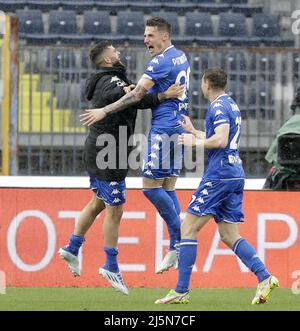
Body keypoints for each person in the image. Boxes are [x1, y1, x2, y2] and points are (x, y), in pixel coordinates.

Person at [58, 41, 183, 295]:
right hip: (108, 153)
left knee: (97, 203)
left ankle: (71, 248)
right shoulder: (112, 83)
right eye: (115, 52)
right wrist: (163, 95)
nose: (119, 53)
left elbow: (132, 96)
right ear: (107, 61)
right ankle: (110, 265)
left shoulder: (106, 79)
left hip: (103, 149)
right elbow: (134, 99)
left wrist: (137, 92)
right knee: (116, 210)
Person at [154, 68, 279, 305]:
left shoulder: (218, 107)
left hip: (219, 175)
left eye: (201, 82)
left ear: (207, 83)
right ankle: (264, 277)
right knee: (229, 235)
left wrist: (193, 142)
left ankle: (181, 290)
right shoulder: (230, 104)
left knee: (188, 229)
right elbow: (221, 137)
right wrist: (194, 131)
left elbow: (219, 140)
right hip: (234, 174)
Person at [80, 17, 191, 274]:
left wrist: (104, 110)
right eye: (144, 35)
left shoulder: (159, 61)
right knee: (168, 187)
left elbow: (136, 96)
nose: (145, 40)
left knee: (150, 189)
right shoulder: (181, 56)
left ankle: (180, 240)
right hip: (178, 126)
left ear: (165, 36)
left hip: (164, 129)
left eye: (150, 35)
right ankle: (176, 245)